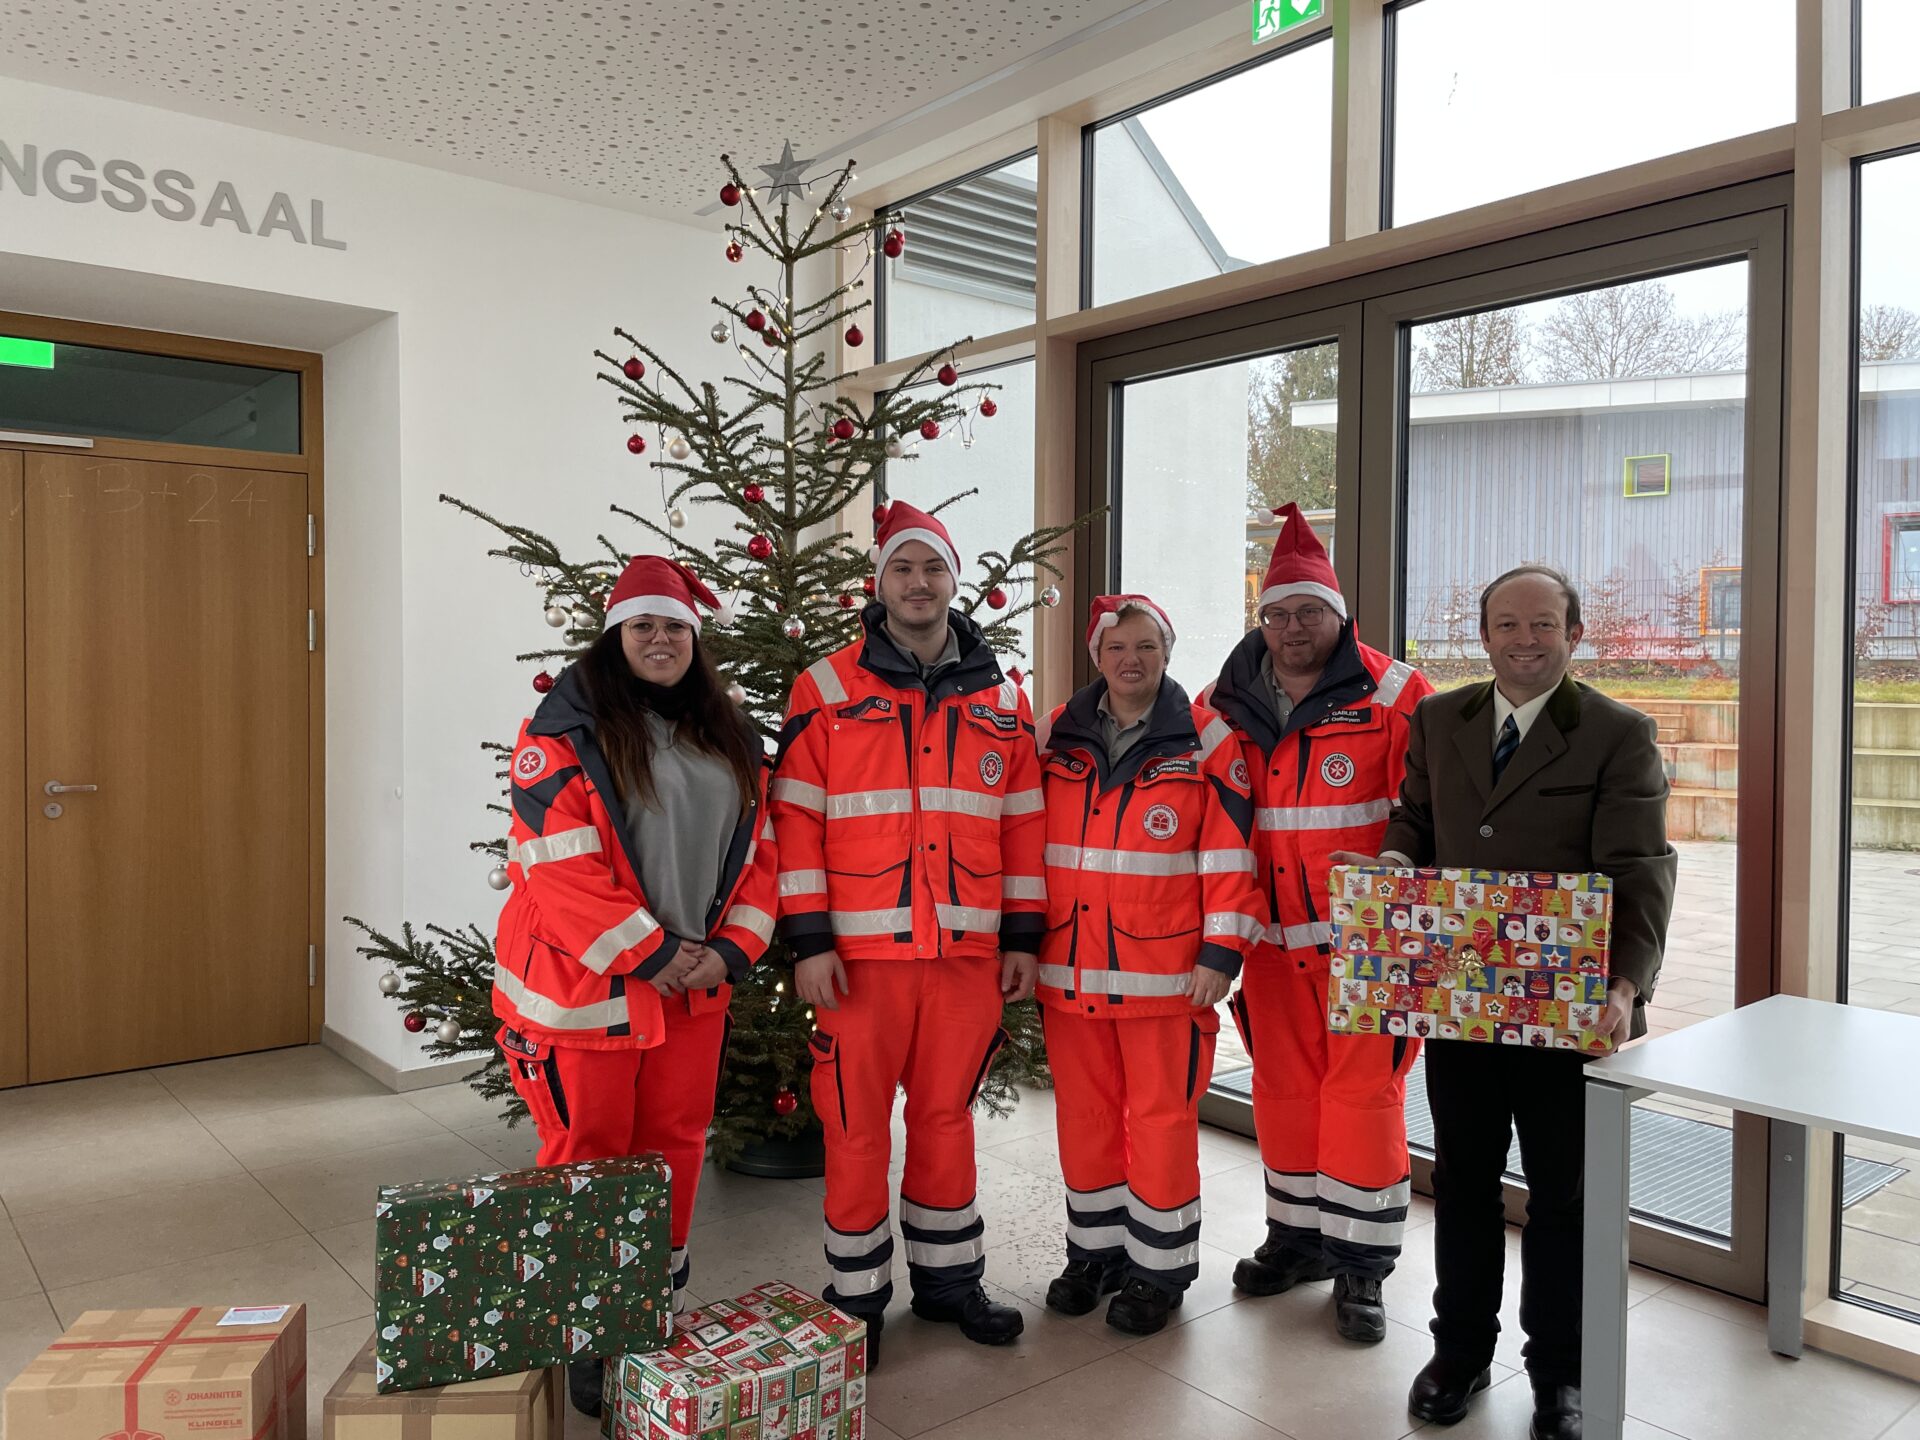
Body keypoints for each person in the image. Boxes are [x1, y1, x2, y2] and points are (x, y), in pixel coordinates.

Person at [1359, 564, 1675, 1440]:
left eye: (1543, 624)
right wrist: (1392, 866)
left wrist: (1626, 985)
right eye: (1507, 624)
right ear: (1484, 634)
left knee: (1562, 1200)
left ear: (1574, 635)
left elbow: (1640, 872)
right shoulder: (1439, 719)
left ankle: (1559, 1373)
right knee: (1461, 1185)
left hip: (1569, 1011)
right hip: (1462, 1001)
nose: (1524, 640)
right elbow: (1416, 817)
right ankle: (1458, 1352)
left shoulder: (1617, 733)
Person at [491, 554, 779, 1415]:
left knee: (675, 1145)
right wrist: (655, 954)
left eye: (675, 626)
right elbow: (560, 868)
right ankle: (585, 1331)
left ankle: (650, 1304)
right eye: (643, 625)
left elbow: (761, 855)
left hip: (694, 986)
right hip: (588, 991)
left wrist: (728, 951)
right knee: (591, 1153)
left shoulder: (726, 734)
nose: (661, 639)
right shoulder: (561, 736)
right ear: (615, 636)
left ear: (695, 638)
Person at [771, 500, 1045, 1369]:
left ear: (954, 582)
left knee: (945, 1118)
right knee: (855, 1129)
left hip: (966, 956)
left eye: (933, 569)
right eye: (903, 568)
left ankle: (949, 1282)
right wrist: (810, 942)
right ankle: (855, 1299)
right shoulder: (824, 688)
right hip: (858, 960)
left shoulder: (1004, 698)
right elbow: (794, 822)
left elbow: (1023, 826)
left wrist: (1022, 938)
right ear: (879, 582)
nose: (918, 583)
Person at [1199, 503, 1432, 1343]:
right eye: (1278, 614)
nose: (1293, 628)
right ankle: (1297, 1239)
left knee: (1364, 1099)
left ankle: (1362, 1265)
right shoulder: (1217, 705)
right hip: (1267, 947)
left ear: (1339, 614)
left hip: (1368, 949)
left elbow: (1428, 811)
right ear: (1260, 618)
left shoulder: (1398, 694)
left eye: (1309, 612)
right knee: (1284, 1092)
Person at [1033, 595, 1266, 1336]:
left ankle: (1158, 1272)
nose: (1130, 660)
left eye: (1145, 646)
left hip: (1167, 978)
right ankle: (1094, 1255)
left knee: (1160, 1123)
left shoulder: (1207, 739)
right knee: (1086, 1119)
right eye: (1116, 648)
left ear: (1166, 652)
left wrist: (1220, 953)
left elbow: (1231, 855)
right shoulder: (1054, 735)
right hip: (1068, 972)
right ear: (1096, 656)